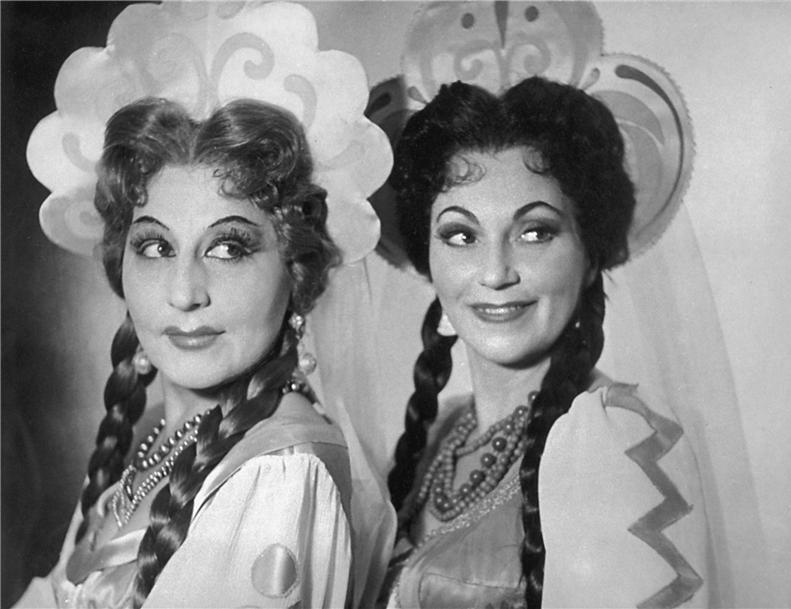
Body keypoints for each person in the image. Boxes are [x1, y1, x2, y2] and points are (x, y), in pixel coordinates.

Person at [16, 3, 394, 607]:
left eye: (228, 248)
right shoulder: (148, 439)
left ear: (294, 272)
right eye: (155, 246)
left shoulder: (279, 469)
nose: (185, 291)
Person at [382, 77, 711, 608]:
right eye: (461, 235)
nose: (495, 273)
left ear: (590, 256)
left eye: (534, 232)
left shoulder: (616, 441)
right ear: (429, 256)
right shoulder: (440, 431)